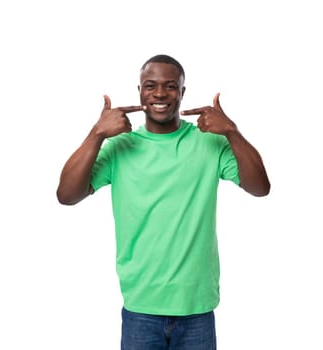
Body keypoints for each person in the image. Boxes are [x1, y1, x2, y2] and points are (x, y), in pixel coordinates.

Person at [56, 54, 270, 349]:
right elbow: (66, 196)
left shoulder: (209, 143)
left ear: (182, 93)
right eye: (150, 85)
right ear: (140, 91)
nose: (159, 94)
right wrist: (97, 135)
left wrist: (232, 131)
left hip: (196, 307)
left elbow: (260, 188)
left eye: (170, 86)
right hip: (141, 308)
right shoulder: (121, 146)